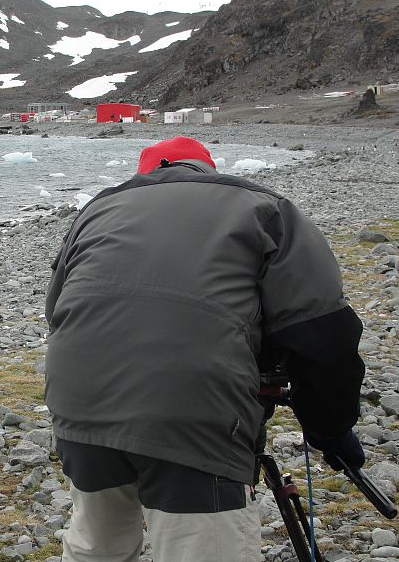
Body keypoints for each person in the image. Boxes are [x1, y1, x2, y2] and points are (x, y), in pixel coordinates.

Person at [44, 136, 366, 562]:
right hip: (195, 414)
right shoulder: (264, 208)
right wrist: (331, 430)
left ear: (145, 174)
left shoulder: (98, 209)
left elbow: (57, 311)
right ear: (207, 170)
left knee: (97, 545)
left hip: (78, 406)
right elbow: (323, 334)